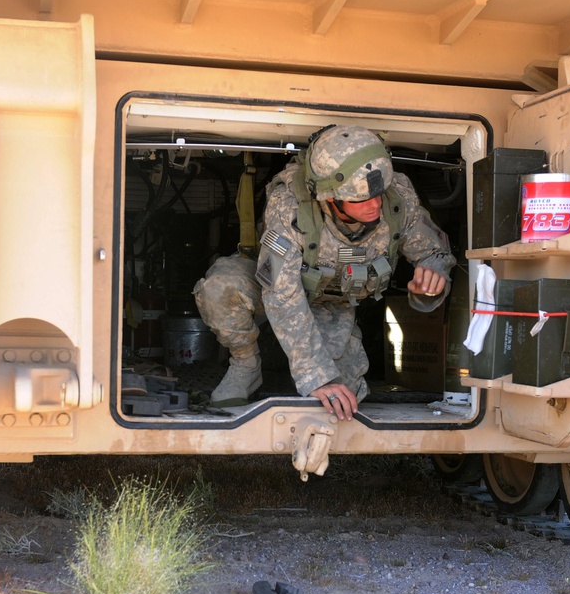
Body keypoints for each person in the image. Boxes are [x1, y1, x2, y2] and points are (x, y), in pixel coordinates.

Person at [193, 125, 455, 420]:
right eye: (361, 199)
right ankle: (245, 364)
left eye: (378, 193)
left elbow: (435, 253)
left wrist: (431, 278)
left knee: (343, 402)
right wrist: (316, 376)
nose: (375, 205)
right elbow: (281, 292)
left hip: (334, 303)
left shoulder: (397, 198)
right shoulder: (290, 203)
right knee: (221, 287)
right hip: (280, 288)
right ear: (329, 197)